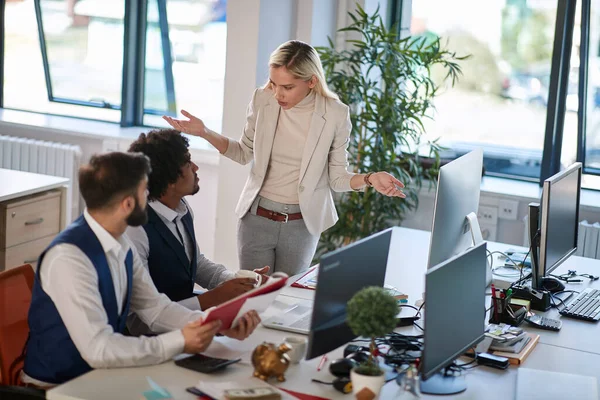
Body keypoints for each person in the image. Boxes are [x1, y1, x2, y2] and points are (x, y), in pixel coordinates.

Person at [164, 40, 406, 276]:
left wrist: (370, 178)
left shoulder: (335, 114)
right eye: (273, 83)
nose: (278, 94)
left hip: (301, 225)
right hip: (256, 220)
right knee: (252, 299)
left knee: (286, 301)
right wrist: (205, 132)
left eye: (287, 87)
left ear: (311, 81)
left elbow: (337, 178)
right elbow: (242, 152)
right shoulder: (262, 99)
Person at [22, 152, 260, 388]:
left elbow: (155, 309)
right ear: (128, 204)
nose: (150, 196)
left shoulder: (119, 242)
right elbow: (99, 348)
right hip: (58, 386)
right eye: (145, 191)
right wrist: (180, 341)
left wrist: (217, 324)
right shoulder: (69, 258)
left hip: (99, 375)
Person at [125, 129, 269, 335]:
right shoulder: (135, 229)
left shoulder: (181, 208)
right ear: (170, 180)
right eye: (187, 163)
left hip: (186, 326)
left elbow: (196, 262)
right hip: (148, 338)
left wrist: (236, 282)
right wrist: (211, 299)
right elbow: (143, 319)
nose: (195, 167)